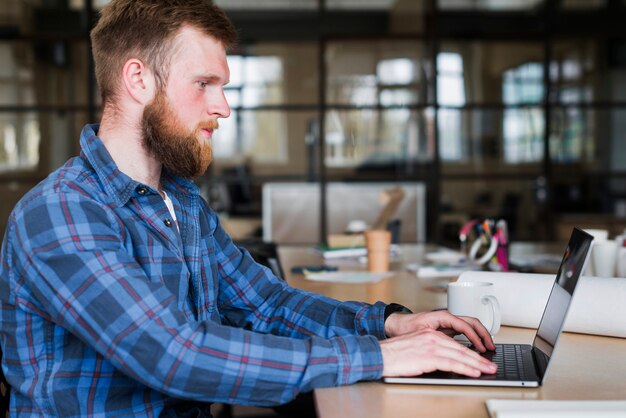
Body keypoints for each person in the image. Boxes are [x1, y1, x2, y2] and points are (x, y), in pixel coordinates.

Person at [0, 1, 497, 416]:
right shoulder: (60, 213)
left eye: (224, 87)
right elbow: (177, 355)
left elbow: (266, 303)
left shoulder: (182, 202)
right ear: (138, 79)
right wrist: (378, 357)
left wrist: (388, 324)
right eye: (203, 83)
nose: (223, 107)